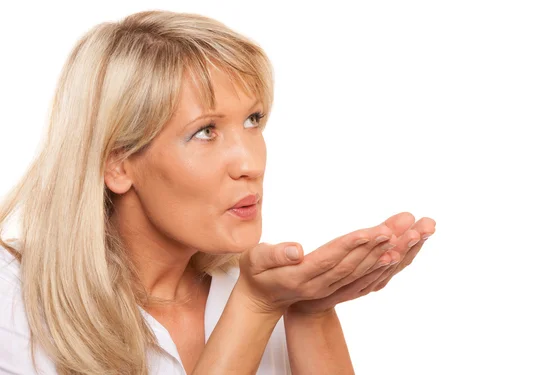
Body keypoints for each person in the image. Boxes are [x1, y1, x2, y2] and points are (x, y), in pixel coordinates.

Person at [0, 9, 436, 375]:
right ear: (117, 163)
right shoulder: (13, 298)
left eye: (253, 121)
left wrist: (312, 310)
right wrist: (256, 308)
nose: (251, 163)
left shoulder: (264, 292)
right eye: (206, 131)